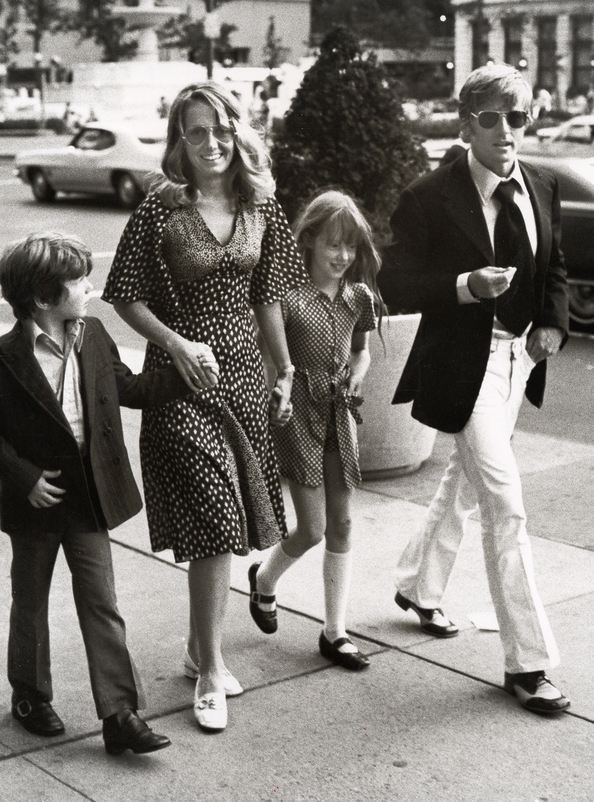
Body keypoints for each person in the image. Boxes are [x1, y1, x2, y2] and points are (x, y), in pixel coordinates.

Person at [102, 82, 306, 732]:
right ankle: (212, 671)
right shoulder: (159, 210)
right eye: (197, 132)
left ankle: (199, 650)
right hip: (181, 382)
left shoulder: (261, 205)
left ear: (236, 132)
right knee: (216, 516)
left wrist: (285, 371)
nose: (212, 143)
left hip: (245, 378)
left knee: (230, 521)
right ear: (179, 142)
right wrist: (174, 341)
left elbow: (270, 294)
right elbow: (123, 293)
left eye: (220, 129)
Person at [377, 64, 570, 715]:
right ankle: (529, 663)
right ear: (467, 125)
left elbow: (556, 267)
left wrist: (551, 321)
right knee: (506, 506)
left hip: (518, 361)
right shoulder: (430, 195)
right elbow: (395, 284)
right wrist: (464, 286)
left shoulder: (541, 184)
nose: (509, 131)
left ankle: (414, 585)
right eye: (494, 119)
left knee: (463, 486)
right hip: (467, 365)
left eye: (519, 118)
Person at [0, 233, 205, 753]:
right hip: (36, 501)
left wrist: (188, 376)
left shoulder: (92, 337)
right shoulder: (5, 357)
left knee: (101, 602)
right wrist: (24, 479)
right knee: (31, 600)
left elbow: (129, 389)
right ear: (43, 298)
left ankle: (119, 715)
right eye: (79, 281)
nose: (90, 288)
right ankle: (30, 695)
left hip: (89, 495)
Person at [248, 190, 383, 670]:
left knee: (342, 524)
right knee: (312, 527)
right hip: (298, 410)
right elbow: (269, 355)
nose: (343, 257)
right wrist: (275, 393)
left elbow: (361, 350)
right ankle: (265, 579)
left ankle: (335, 633)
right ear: (308, 241)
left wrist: (358, 370)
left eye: (350, 247)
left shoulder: (357, 298)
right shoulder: (287, 298)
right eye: (333, 245)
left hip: (338, 411)